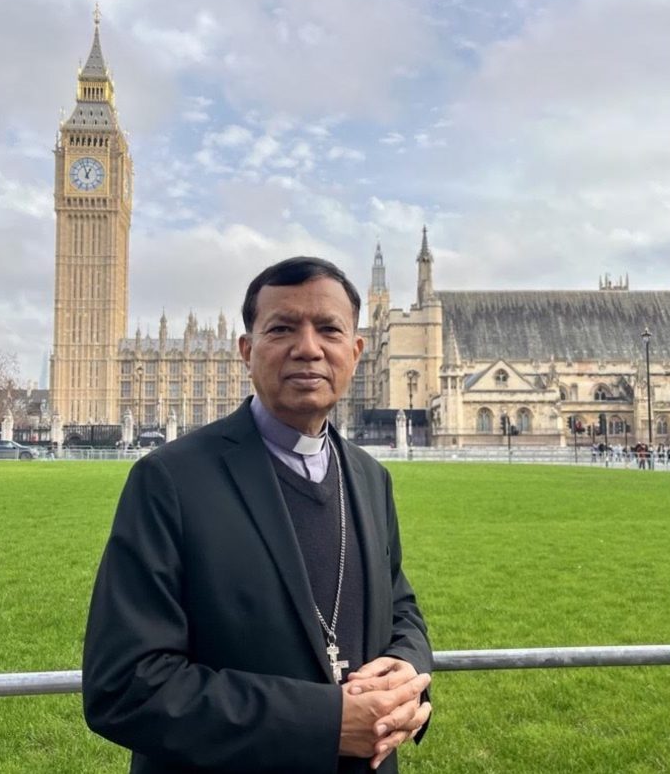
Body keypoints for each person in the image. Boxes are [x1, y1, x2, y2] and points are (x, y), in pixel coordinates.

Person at [83, 257, 432, 774]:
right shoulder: (170, 481)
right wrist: (325, 723)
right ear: (245, 351)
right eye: (282, 328)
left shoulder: (370, 477)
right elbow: (125, 684)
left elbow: (399, 606)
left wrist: (409, 668)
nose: (308, 348)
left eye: (329, 329)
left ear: (356, 352)